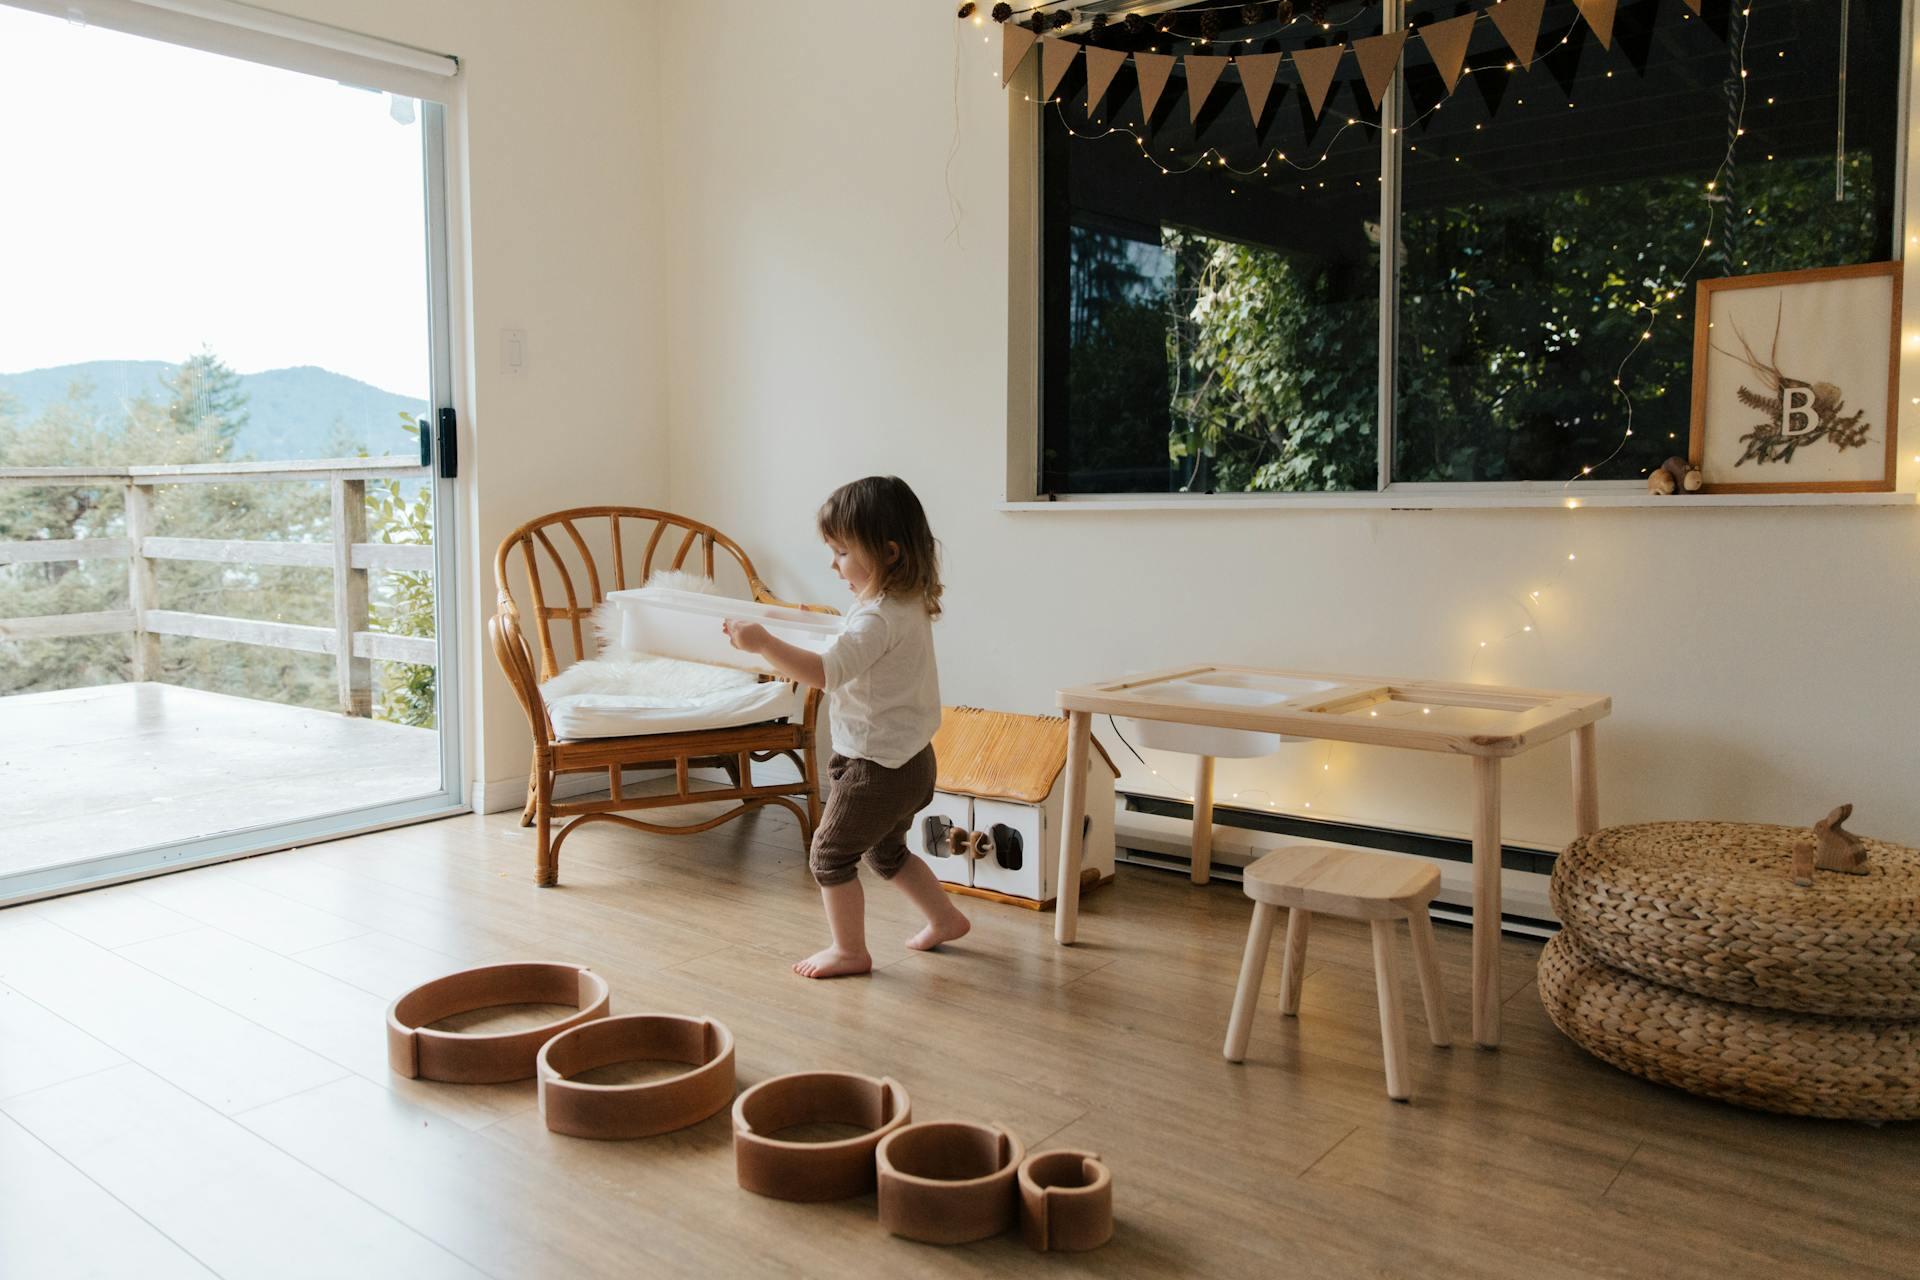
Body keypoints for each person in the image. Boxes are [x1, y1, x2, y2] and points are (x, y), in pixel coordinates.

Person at [723, 475, 970, 978]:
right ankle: (944, 918)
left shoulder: (875, 619)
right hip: (912, 760)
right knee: (887, 852)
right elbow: (848, 647)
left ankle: (850, 952)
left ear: (888, 553)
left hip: (876, 766)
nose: (833, 565)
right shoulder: (903, 603)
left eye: (840, 552)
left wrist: (764, 645)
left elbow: (824, 673)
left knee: (830, 855)